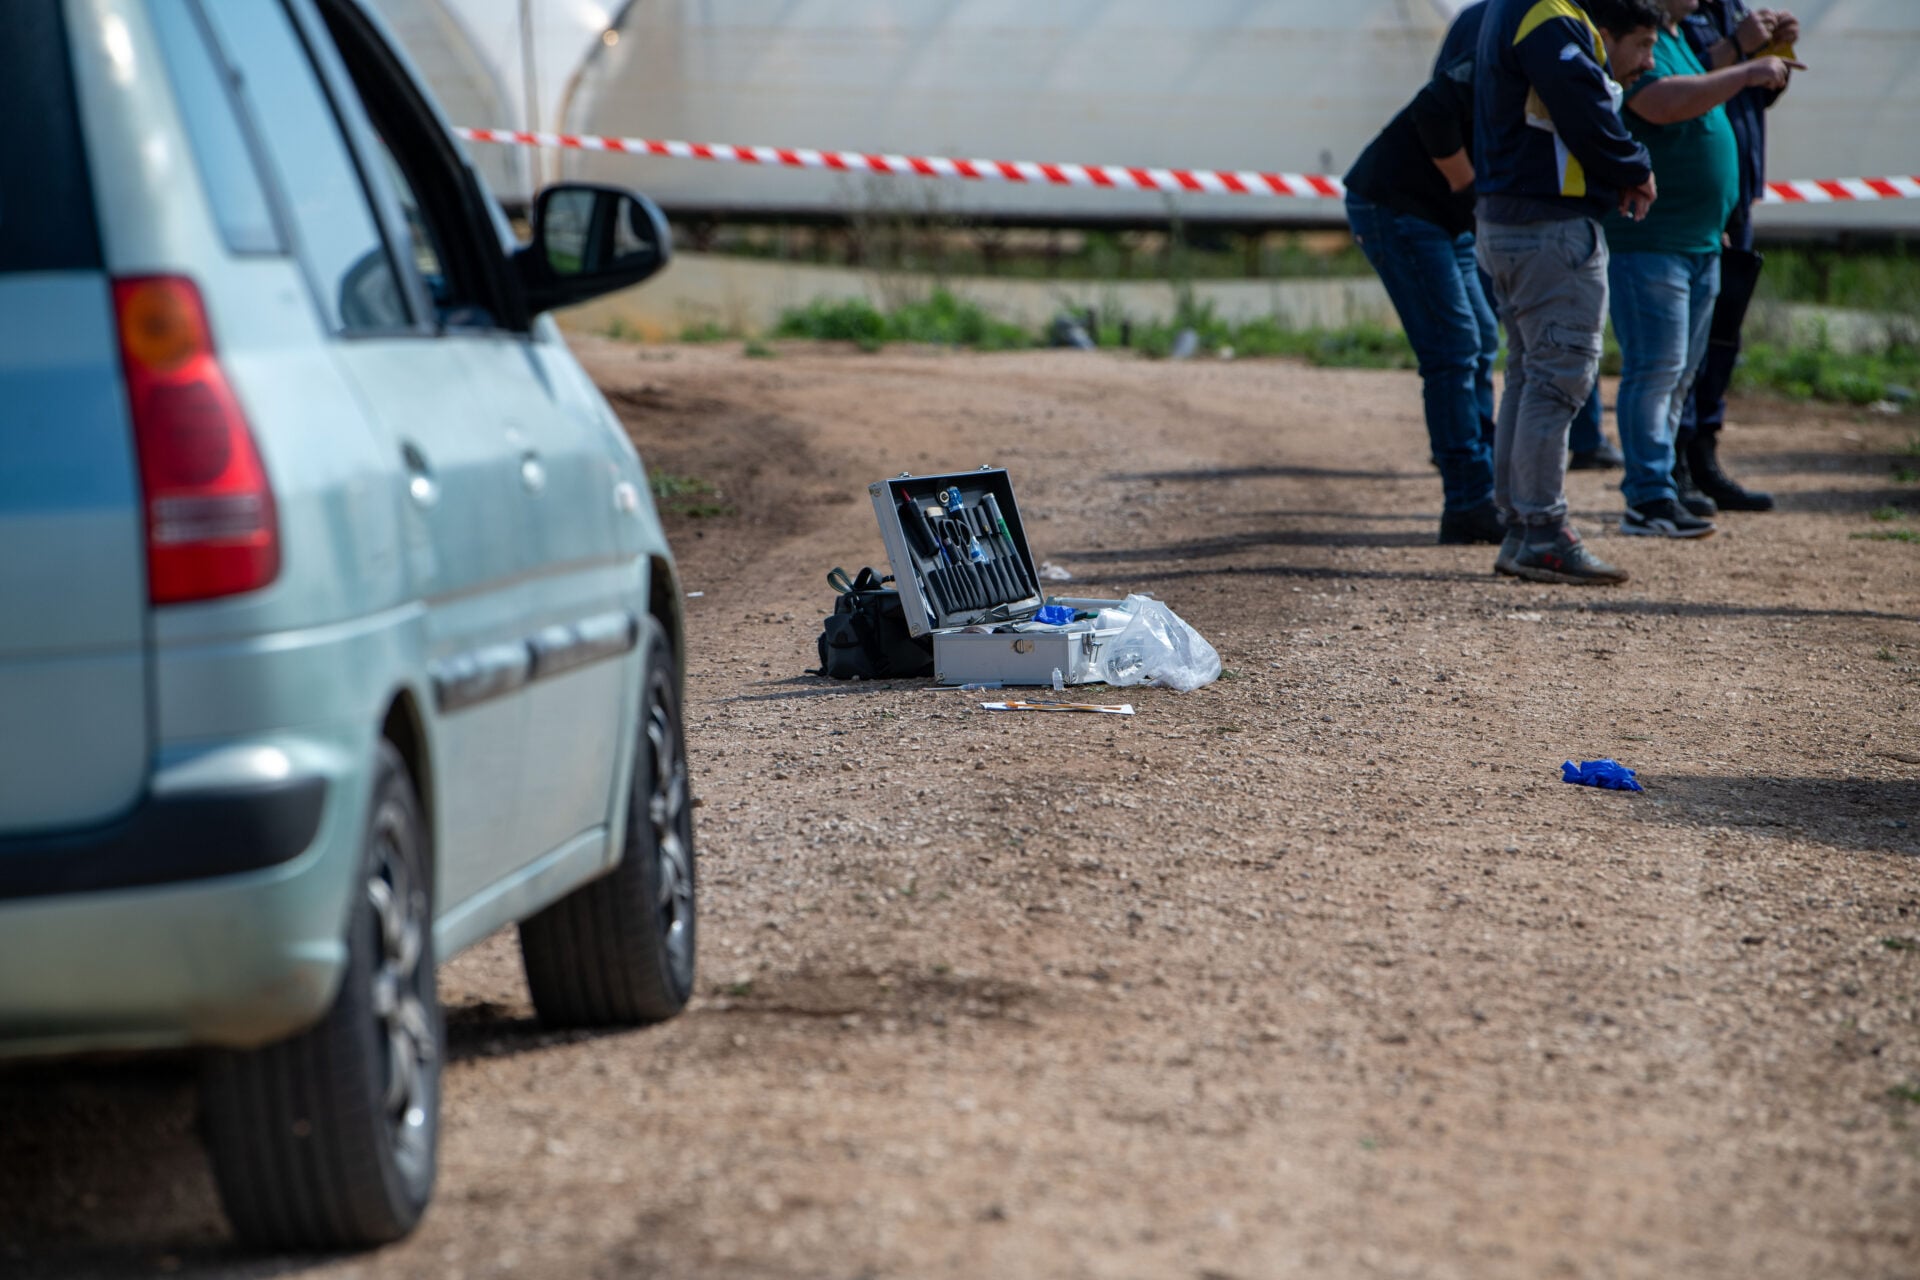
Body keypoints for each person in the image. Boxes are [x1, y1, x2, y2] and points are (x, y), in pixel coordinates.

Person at [1473, 0, 1664, 585]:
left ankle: (1521, 527)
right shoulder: (1548, 11)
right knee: (1556, 383)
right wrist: (1632, 165)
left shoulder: (1510, 10)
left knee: (1531, 377)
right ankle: (1542, 531)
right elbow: (1579, 98)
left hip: (1507, 221)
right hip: (1547, 228)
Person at [1603, 0, 1798, 538]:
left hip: (1699, 238)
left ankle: (1662, 487)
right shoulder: (1639, 37)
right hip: (1652, 238)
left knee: (1680, 376)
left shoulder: (1674, 35)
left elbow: (1695, 93)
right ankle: (1646, 498)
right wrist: (1747, 68)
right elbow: (1661, 103)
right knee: (1655, 372)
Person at [1343, 14, 1504, 544]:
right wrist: (1470, 190)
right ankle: (1467, 504)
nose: (1647, 59)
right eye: (1641, 47)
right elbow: (1433, 106)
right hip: (1398, 204)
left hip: (1443, 216)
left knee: (1479, 341)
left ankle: (1484, 488)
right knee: (1454, 348)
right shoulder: (1531, 39)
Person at [1674, 2, 1801, 512]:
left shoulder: (1731, 7)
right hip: (1692, 199)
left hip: (1736, 193)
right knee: (1684, 338)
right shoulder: (1671, 11)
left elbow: (1748, 97)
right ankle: (1671, 466)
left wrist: (1775, 58)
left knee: (1723, 331)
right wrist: (1738, 50)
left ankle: (1704, 456)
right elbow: (1667, 86)